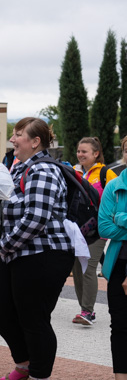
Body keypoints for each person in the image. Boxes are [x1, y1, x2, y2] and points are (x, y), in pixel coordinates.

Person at [0, 117, 74, 380]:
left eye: (18, 135)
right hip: (16, 253)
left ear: (35, 141)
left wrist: (4, 245)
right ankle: (25, 364)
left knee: (33, 317)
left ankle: (41, 378)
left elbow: (36, 218)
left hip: (43, 254)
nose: (12, 139)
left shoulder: (43, 171)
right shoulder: (19, 169)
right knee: (4, 314)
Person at [96, 134, 127, 380]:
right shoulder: (115, 186)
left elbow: (116, 222)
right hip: (119, 265)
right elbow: (105, 226)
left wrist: (122, 219)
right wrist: (117, 221)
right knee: (120, 325)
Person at [71, 136, 117, 326]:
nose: (80, 154)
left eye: (85, 152)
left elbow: (117, 197)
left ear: (96, 154)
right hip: (77, 229)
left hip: (99, 229)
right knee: (76, 268)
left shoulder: (106, 173)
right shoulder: (74, 172)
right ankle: (84, 309)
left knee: (88, 266)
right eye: (79, 151)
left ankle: (87, 311)